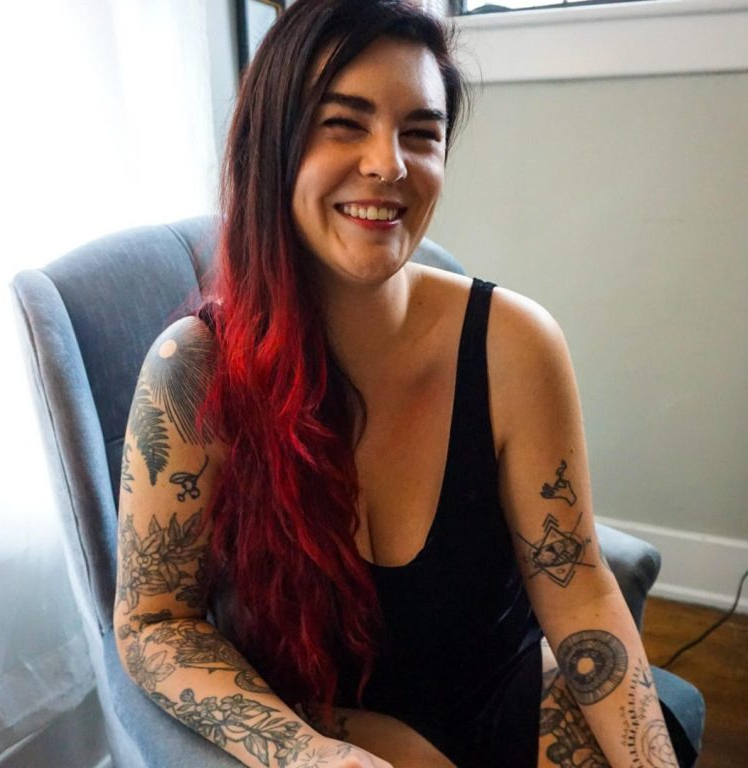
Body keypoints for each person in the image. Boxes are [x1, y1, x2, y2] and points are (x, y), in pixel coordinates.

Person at [114, 1, 691, 766]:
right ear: (271, 143)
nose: (388, 164)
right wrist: (310, 755)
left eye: (421, 133)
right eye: (343, 123)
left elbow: (579, 588)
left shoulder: (515, 344)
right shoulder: (193, 373)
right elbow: (154, 623)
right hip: (327, 725)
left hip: (505, 696)